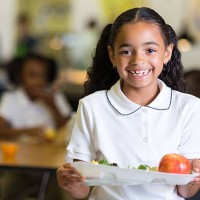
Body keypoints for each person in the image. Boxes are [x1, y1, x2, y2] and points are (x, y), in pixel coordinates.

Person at [56, 7, 200, 200]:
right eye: (126, 51)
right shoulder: (92, 106)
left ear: (167, 52)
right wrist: (69, 181)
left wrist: (195, 178)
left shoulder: (189, 107)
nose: (138, 60)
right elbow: (82, 190)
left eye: (150, 50)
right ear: (112, 55)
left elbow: (185, 191)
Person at [0, 53, 73, 200]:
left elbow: (68, 127)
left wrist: (52, 105)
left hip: (53, 166)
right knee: (6, 190)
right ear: (20, 77)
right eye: (32, 75)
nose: (39, 81)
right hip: (20, 167)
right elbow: (1, 129)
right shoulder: (11, 99)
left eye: (43, 76)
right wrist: (28, 131)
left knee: (61, 193)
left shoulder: (55, 97)